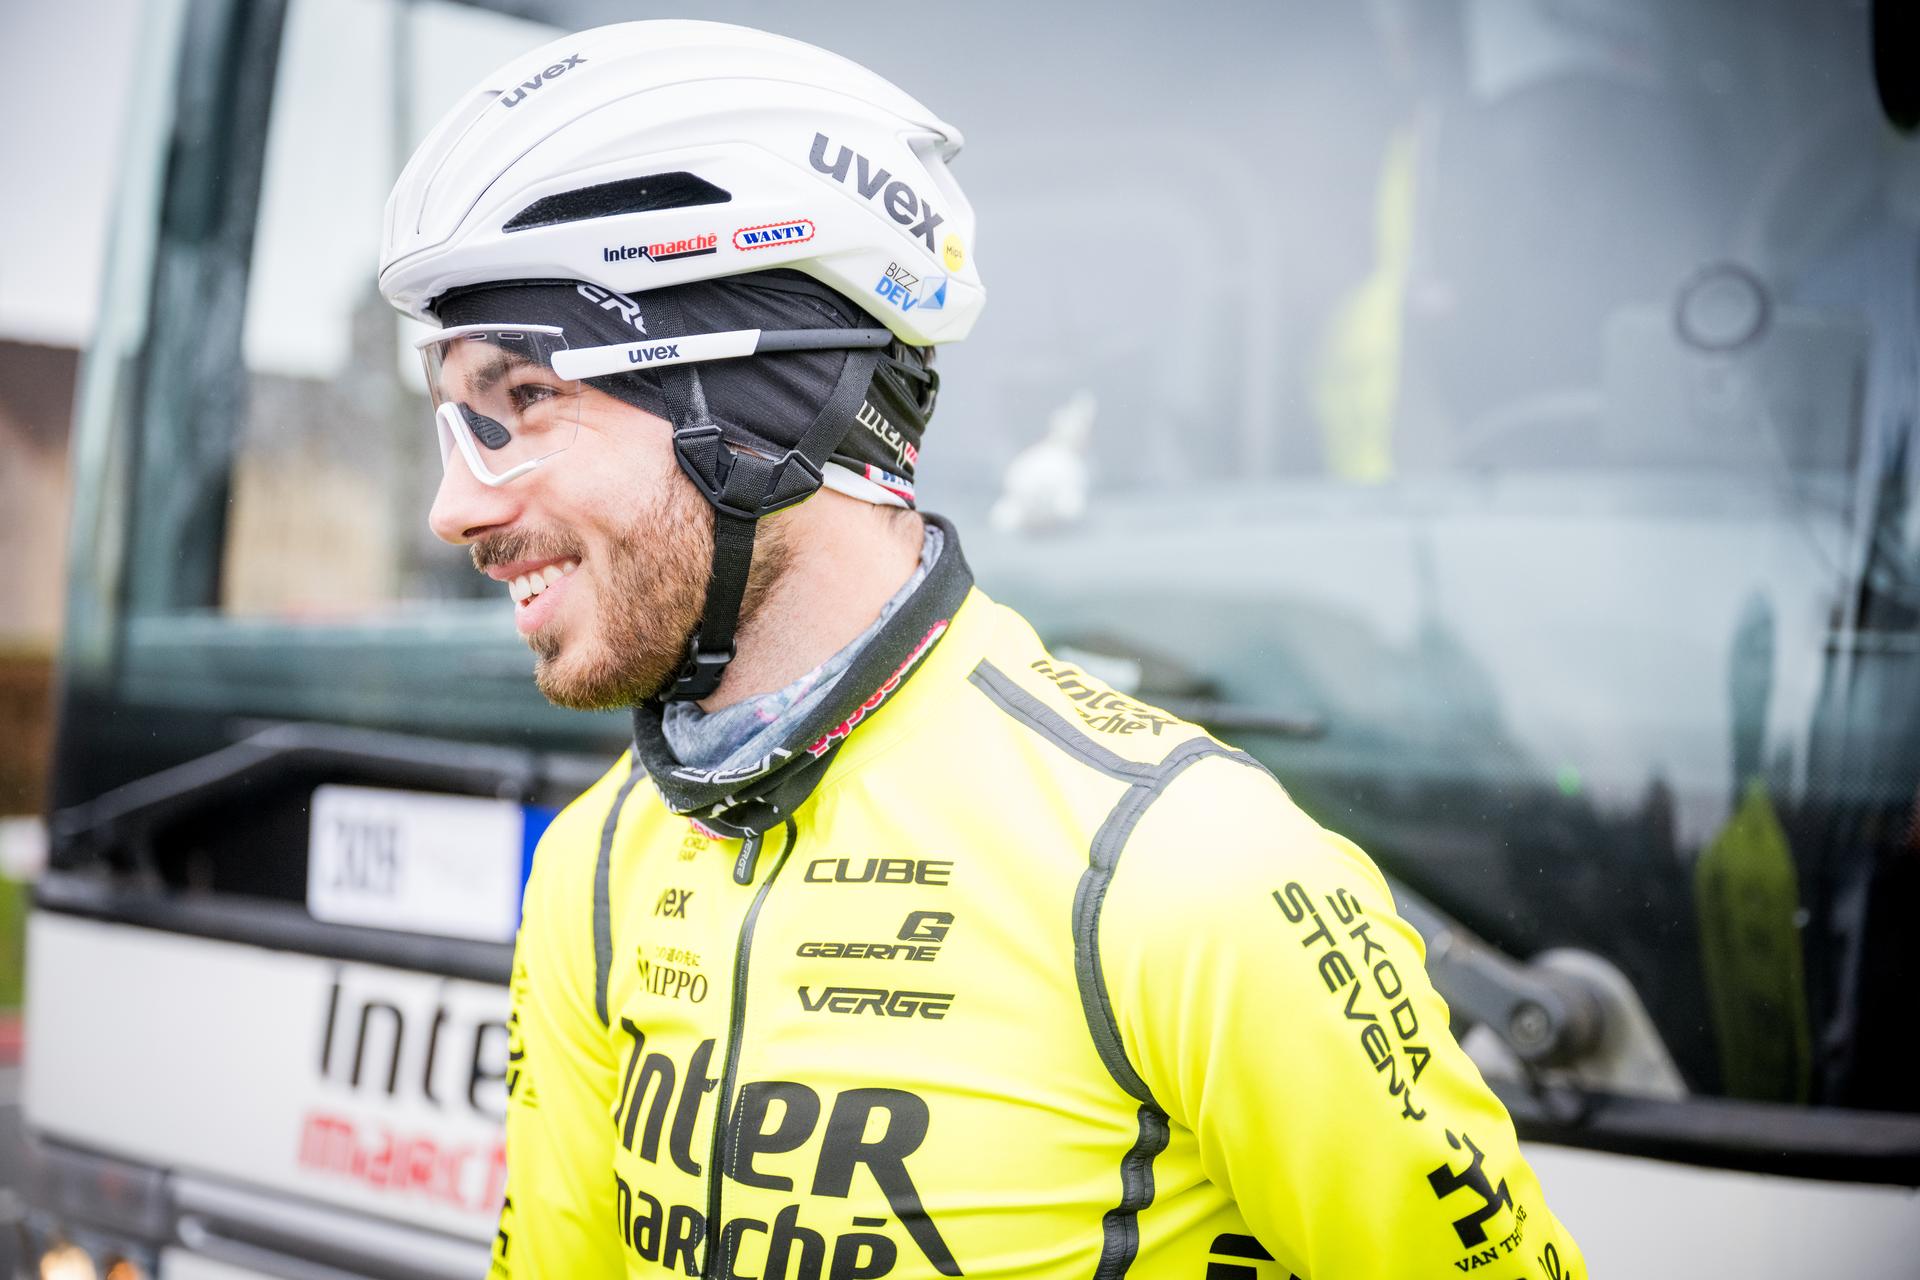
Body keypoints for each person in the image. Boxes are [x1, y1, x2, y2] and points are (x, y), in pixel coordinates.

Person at [378, 20, 1588, 1279]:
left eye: (522, 403)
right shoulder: (596, 866)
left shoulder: (1189, 873)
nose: (455, 508)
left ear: (759, 406)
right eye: (458, 425)